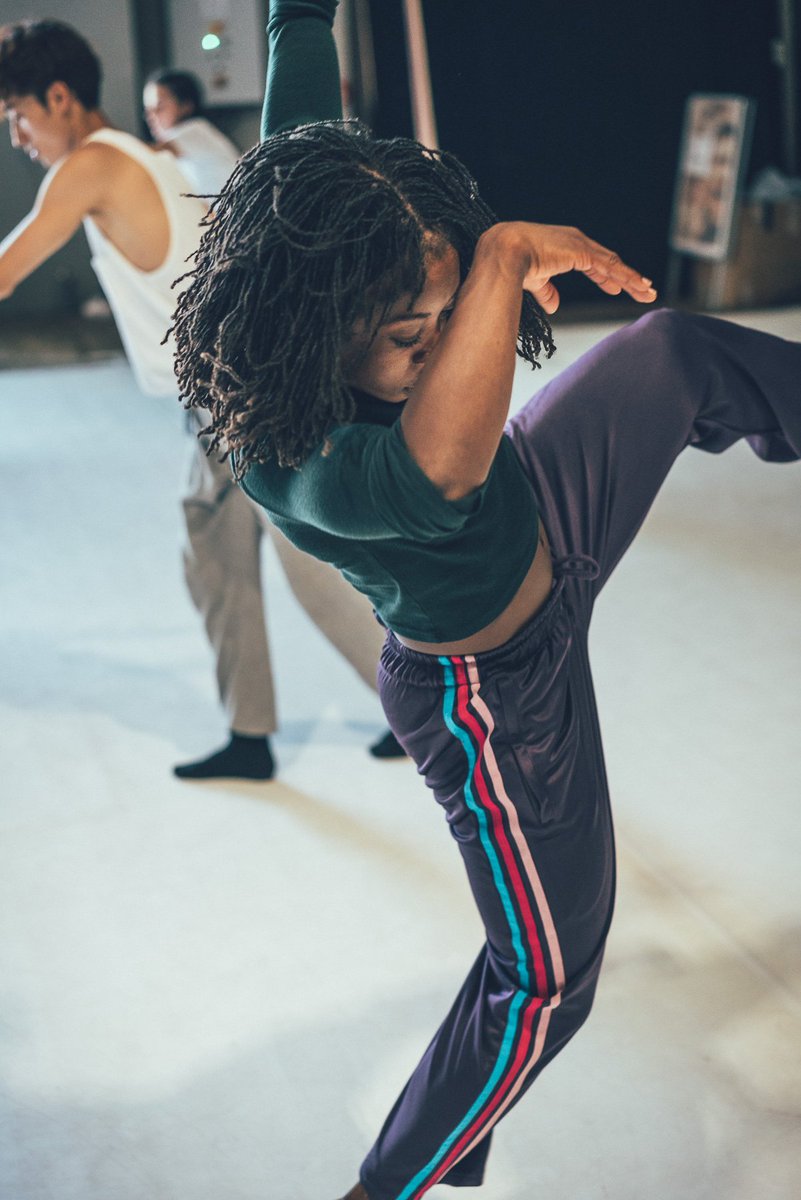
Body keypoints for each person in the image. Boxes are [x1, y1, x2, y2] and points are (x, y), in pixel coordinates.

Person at [170, 2, 801, 1196]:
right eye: (421, 336)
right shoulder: (292, 459)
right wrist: (504, 254)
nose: (458, 342)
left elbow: (297, 23)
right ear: (316, 331)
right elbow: (443, 466)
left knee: (672, 355)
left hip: (551, 507)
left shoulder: (310, 202)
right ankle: (391, 1182)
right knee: (545, 981)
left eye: (455, 310)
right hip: (496, 694)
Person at [0, 17, 402, 782]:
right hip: (226, 396)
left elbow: (6, 271)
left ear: (59, 97)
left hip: (239, 400)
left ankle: (410, 710)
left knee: (307, 565)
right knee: (215, 552)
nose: (17, 136)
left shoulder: (88, 165)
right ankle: (255, 733)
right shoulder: (151, 154)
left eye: (18, 115)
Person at [142, 68, 240, 195]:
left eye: (159, 107)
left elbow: (145, 153)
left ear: (185, 106)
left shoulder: (194, 130)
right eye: (147, 109)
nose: (151, 116)